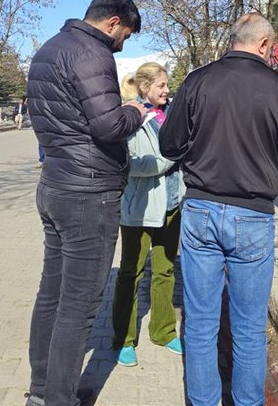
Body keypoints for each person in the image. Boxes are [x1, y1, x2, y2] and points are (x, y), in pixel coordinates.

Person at [159, 12, 278, 406]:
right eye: (272, 48)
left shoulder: (197, 81)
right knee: (248, 327)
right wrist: (267, 159)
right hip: (252, 214)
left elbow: (169, 144)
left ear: (234, 39)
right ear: (263, 44)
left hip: (201, 209)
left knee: (200, 323)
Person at [25, 0, 148, 406]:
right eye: (125, 35)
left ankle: (41, 391)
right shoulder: (93, 53)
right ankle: (60, 399)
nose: (122, 44)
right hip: (88, 194)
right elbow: (110, 126)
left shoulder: (50, 48)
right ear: (113, 23)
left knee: (52, 295)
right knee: (77, 307)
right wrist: (136, 111)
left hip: (55, 184)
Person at [111, 63, 185, 367]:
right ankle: (124, 339)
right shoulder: (130, 117)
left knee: (165, 271)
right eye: (161, 86)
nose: (167, 91)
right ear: (145, 88)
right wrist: (171, 158)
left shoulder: (171, 115)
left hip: (172, 205)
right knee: (131, 272)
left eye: (167, 85)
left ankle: (164, 331)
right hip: (140, 209)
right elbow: (131, 163)